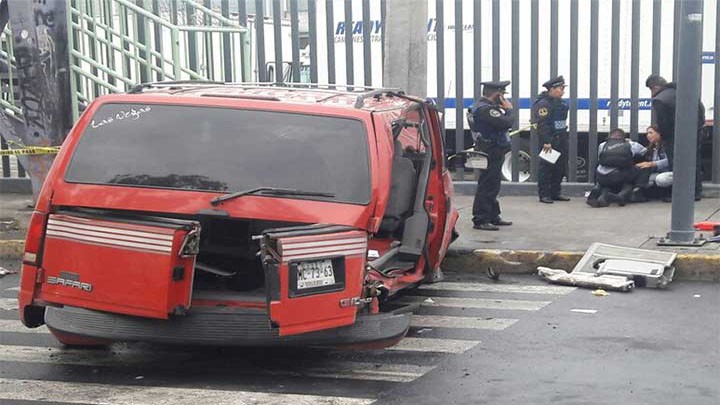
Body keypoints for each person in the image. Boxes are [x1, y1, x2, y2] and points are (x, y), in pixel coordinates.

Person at [645, 74, 705, 200]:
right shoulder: (686, 93)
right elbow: (701, 111)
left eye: (651, 89)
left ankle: (679, 194)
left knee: (676, 166)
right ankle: (696, 192)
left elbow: (663, 123)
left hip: (674, 138)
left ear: (655, 87)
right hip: (694, 133)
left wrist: (666, 137)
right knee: (694, 163)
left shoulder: (660, 100)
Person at [467, 80, 514, 231]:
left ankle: (493, 216)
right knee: (487, 185)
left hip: (491, 149)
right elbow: (507, 123)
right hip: (490, 149)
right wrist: (509, 110)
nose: (505, 98)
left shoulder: (482, 107)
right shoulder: (485, 110)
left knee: (493, 184)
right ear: (497, 94)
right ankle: (481, 219)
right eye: (502, 95)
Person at [586, 128, 647, 207]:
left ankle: (600, 195)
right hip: (620, 175)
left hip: (601, 176)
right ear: (623, 137)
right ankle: (621, 196)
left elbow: (599, 159)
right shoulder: (631, 144)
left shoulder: (603, 145)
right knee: (630, 181)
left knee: (606, 185)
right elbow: (644, 151)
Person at [533, 75, 570, 204]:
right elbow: (542, 124)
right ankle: (544, 194)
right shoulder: (543, 104)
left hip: (561, 138)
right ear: (552, 89)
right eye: (561, 88)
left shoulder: (560, 102)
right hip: (550, 140)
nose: (563, 91)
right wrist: (546, 142)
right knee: (546, 168)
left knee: (560, 168)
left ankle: (555, 192)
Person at [634, 125, 673, 201]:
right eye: (647, 133)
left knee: (661, 179)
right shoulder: (651, 148)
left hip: (671, 172)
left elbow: (670, 160)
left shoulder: (667, 146)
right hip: (658, 173)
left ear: (659, 134)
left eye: (651, 133)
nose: (648, 135)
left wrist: (652, 164)